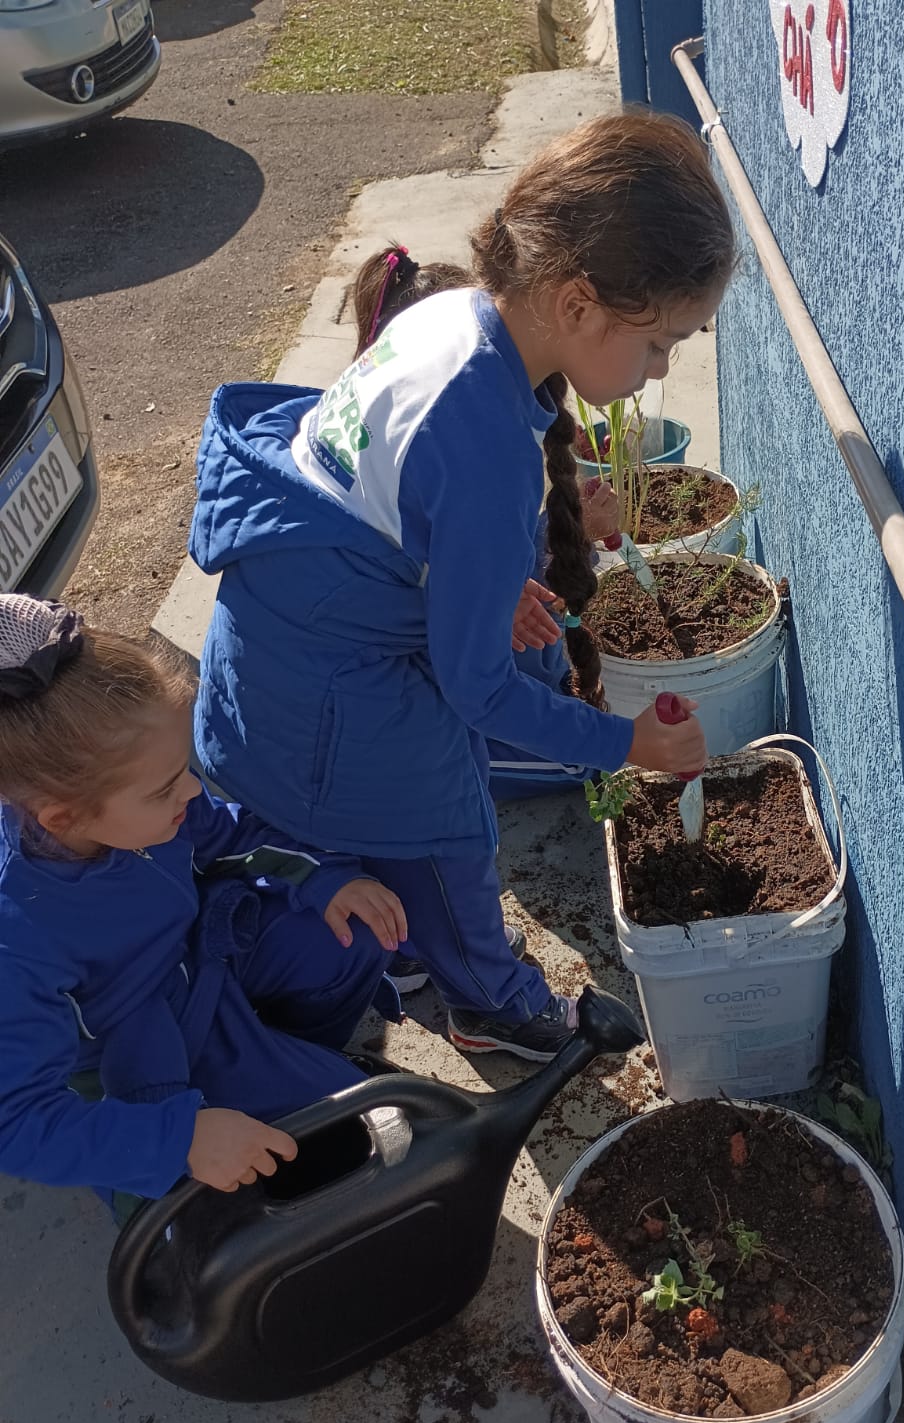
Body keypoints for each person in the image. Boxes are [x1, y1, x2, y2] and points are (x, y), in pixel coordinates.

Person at [189, 108, 732, 1064]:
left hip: (281, 644)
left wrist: (491, 575)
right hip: (323, 699)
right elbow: (476, 688)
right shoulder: (483, 441)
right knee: (446, 823)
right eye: (660, 343)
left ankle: (396, 954)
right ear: (578, 304)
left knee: (412, 797)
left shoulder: (458, 317)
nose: (662, 369)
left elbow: (400, 502)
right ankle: (491, 1003)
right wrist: (627, 742)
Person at [0, 595, 408, 1207]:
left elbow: (230, 833)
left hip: (205, 952)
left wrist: (324, 880)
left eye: (184, 769)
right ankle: (260, 1090)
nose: (192, 790)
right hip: (144, 1039)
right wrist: (178, 1138)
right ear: (63, 818)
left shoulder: (137, 802)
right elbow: (16, 1122)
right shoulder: (17, 935)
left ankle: (293, 1054)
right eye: (166, 787)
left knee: (356, 933)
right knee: (358, 1138)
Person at [350, 243, 623, 804]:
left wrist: (557, 549)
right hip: (434, 714)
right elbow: (473, 672)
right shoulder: (460, 457)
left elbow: (496, 571)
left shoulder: (426, 447)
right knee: (585, 762)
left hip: (480, 672)